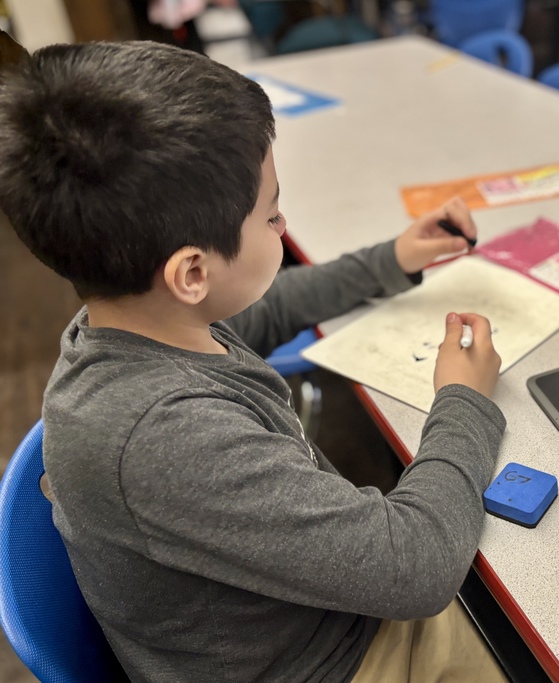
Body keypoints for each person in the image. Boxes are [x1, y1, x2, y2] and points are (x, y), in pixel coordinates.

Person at [0, 40, 509, 682]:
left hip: (321, 619)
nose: (283, 223)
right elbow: (419, 565)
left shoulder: (139, 317)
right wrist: (465, 400)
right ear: (191, 271)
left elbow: (265, 307)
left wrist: (393, 258)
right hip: (341, 663)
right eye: (271, 216)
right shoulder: (166, 436)